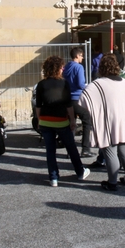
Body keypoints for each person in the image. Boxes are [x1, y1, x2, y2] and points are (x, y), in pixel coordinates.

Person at [78, 54, 125, 191]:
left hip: (108, 121)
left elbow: (83, 100)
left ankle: (112, 183)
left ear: (101, 68)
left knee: (110, 151)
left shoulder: (97, 84)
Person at [35, 56, 90, 186]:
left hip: (45, 120)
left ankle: (53, 178)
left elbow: (38, 105)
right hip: (60, 120)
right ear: (58, 69)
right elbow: (68, 105)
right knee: (71, 147)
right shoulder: (64, 83)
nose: (63, 69)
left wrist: (39, 120)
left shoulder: (41, 84)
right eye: (61, 67)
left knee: (50, 151)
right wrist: (72, 120)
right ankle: (80, 172)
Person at [63, 47, 95, 158]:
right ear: (77, 55)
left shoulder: (67, 66)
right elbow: (81, 83)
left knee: (71, 124)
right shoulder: (79, 67)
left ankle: (70, 151)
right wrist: (88, 87)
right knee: (87, 119)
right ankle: (85, 149)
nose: (82, 58)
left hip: (67, 99)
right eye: (81, 55)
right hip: (77, 98)